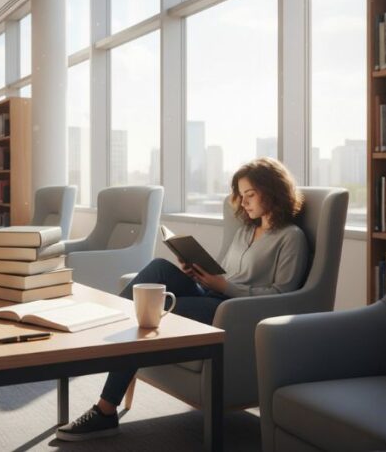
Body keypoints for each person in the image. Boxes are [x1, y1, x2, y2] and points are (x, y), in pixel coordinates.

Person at [56, 157, 310, 442]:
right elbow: (227, 273)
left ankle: (105, 410)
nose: (245, 202)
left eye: (250, 194)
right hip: (215, 293)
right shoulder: (245, 231)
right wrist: (198, 271)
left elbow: (282, 295)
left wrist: (222, 284)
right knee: (159, 268)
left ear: (272, 191)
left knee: (152, 308)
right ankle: (105, 323)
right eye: (241, 195)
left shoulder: (291, 237)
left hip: (232, 309)